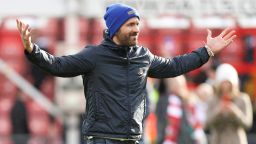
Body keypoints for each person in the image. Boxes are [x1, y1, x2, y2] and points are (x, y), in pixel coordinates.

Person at [16, 3, 236, 144]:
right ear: (115, 28)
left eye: (138, 24)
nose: (136, 29)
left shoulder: (143, 56)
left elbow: (175, 66)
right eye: (130, 24)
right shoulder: (93, 56)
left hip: (134, 139)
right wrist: (32, 49)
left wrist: (206, 52)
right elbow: (57, 65)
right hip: (103, 139)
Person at [205, 63, 253, 144]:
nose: (225, 86)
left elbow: (248, 124)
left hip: (236, 141)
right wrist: (218, 110)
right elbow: (206, 124)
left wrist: (234, 111)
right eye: (223, 82)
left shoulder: (242, 99)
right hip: (217, 140)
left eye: (228, 82)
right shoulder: (212, 99)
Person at [163, 75, 207, 144]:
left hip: (187, 138)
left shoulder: (189, 99)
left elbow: (196, 121)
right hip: (180, 138)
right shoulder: (170, 100)